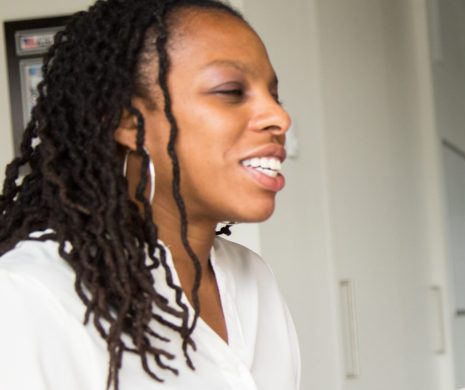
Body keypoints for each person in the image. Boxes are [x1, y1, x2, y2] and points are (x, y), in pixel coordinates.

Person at [0, 1, 299, 389]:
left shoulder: (254, 279)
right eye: (231, 91)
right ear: (127, 120)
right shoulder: (29, 297)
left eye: (275, 96)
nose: (280, 117)